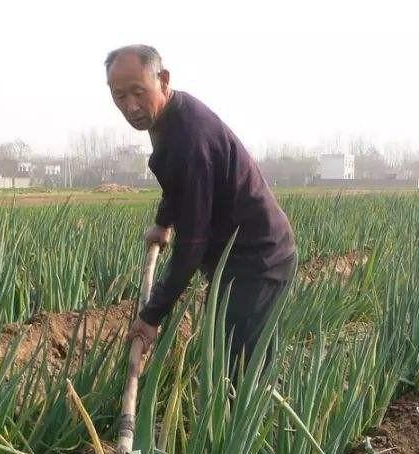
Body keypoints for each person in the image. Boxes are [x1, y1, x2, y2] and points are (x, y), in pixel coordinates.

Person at [105, 44, 297, 376]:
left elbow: (191, 246)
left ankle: (250, 424)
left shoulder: (190, 138)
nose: (130, 106)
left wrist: (151, 316)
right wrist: (163, 223)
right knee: (230, 355)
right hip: (237, 256)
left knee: (239, 370)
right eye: (119, 96)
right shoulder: (170, 116)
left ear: (163, 80)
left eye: (138, 92)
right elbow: (177, 185)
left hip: (258, 260)